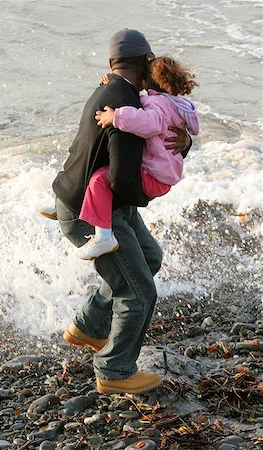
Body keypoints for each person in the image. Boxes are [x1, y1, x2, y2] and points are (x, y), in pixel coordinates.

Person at [52, 29, 192, 394]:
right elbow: (120, 177)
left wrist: (185, 143)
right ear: (145, 63)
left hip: (101, 204)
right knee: (140, 291)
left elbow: (161, 132)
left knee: (148, 257)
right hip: (93, 211)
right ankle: (114, 373)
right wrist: (153, 189)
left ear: (112, 64)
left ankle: (90, 326)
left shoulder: (116, 92)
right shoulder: (124, 106)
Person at [77, 55, 199, 260]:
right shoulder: (178, 105)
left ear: (146, 82)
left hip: (153, 177)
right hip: (164, 176)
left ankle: (104, 237)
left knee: (99, 180)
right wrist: (114, 80)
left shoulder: (157, 106)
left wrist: (115, 117)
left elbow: (149, 122)